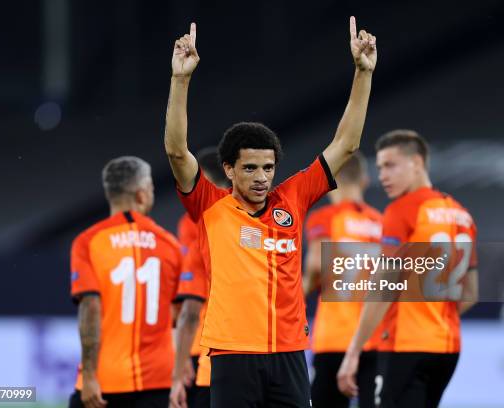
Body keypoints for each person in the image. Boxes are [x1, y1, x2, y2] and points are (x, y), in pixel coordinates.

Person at [164, 17, 377, 408]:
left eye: (267, 167)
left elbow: (346, 144)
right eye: (249, 168)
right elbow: (177, 152)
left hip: (289, 355)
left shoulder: (293, 197)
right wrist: (181, 81)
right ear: (228, 169)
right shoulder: (210, 204)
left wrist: (362, 74)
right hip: (232, 356)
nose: (261, 177)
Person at [337, 130, 479, 408]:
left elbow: (383, 287)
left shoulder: (402, 210)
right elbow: (470, 294)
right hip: (447, 349)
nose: (382, 176)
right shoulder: (462, 215)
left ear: (416, 162)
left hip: (405, 346)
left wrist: (354, 351)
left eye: (390, 165)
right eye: (379, 168)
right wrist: (434, 315)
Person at [69, 156, 183, 408]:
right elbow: (178, 317)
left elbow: (90, 308)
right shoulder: (170, 245)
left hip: (105, 382)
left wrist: (88, 376)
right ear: (142, 194)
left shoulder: (88, 241)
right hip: (158, 382)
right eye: (152, 188)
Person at [304, 151, 382, 408]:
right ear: (365, 180)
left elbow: (316, 266)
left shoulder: (326, 218)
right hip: (374, 338)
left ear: (329, 181)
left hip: (335, 337)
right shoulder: (382, 224)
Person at [171, 147, 230, 408]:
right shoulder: (252, 213)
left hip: (204, 348)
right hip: (258, 349)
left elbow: (191, 306)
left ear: (202, 175)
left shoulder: (196, 220)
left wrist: (179, 361)